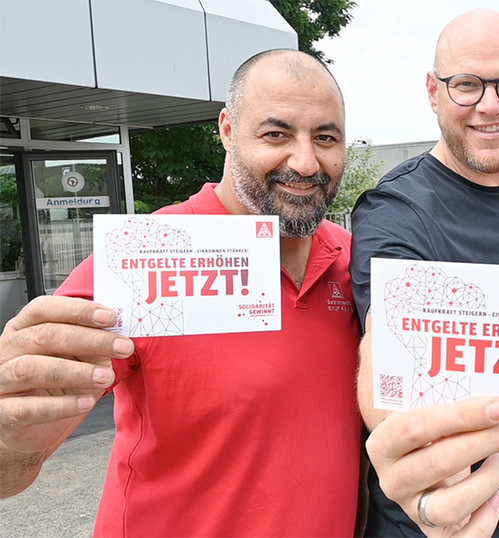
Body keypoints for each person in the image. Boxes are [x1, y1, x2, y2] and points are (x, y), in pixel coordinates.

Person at [0, 49, 364, 536]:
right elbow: (14, 458)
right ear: (228, 131)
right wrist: (13, 441)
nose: (305, 161)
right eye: (276, 134)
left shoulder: (354, 261)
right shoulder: (149, 256)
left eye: (325, 137)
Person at [350, 9, 499, 538]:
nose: (490, 105)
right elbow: (384, 344)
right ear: (433, 91)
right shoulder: (396, 209)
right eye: (467, 85)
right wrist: (414, 473)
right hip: (444, 523)